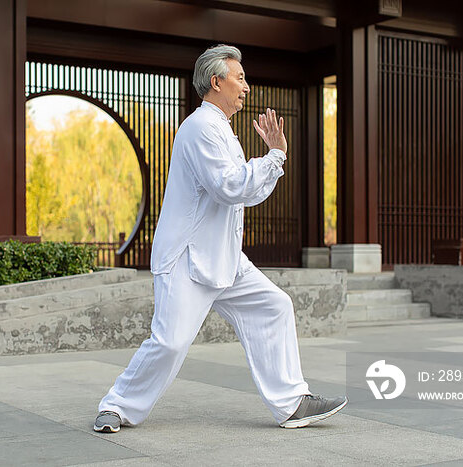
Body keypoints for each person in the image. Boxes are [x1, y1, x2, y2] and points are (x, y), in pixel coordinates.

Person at [94, 44, 347, 433]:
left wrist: (271, 161)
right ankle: (117, 406)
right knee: (170, 343)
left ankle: (292, 403)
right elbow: (228, 186)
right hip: (186, 260)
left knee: (275, 306)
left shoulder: (224, 131)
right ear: (217, 81)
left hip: (225, 257)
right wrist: (275, 157)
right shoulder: (199, 128)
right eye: (240, 78)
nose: (246, 86)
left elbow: (246, 191)